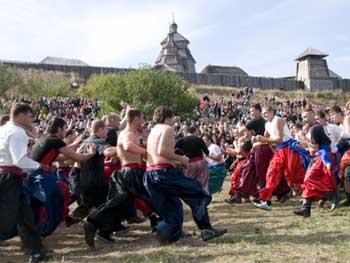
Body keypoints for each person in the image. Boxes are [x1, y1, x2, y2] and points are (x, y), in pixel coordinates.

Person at [143, 106, 226, 244]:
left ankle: (164, 233)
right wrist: (181, 159)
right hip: (164, 173)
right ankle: (206, 230)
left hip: (151, 173)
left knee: (172, 207)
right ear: (168, 118)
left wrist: (175, 162)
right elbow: (162, 151)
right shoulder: (167, 129)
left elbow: (156, 155)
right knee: (198, 193)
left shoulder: (153, 131)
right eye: (172, 119)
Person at [83, 109, 155, 247]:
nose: (143, 121)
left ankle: (102, 229)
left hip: (123, 172)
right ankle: (162, 223)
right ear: (135, 119)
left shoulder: (127, 133)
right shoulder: (127, 134)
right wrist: (147, 151)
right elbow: (127, 146)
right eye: (142, 118)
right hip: (130, 172)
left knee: (120, 203)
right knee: (150, 197)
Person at [0, 103, 48, 263]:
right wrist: (40, 165)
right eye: (30, 116)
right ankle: (35, 250)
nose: (31, 119)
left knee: (24, 215)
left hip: (8, 176)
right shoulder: (17, 132)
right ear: (21, 115)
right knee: (6, 217)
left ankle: (36, 250)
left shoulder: (5, 129)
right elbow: (19, 160)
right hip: (9, 177)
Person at [253, 105, 307, 211]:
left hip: (288, 149)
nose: (265, 115)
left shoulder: (278, 120)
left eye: (266, 112)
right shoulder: (267, 124)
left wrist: (264, 139)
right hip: (279, 151)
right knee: (271, 173)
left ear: (272, 112)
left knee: (294, 175)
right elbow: (266, 139)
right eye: (263, 113)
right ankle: (267, 201)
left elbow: (279, 139)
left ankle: (310, 195)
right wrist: (256, 139)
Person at [66, 120, 118, 226]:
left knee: (88, 204)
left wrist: (107, 163)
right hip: (97, 180)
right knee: (105, 205)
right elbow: (107, 151)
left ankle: (72, 217)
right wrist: (122, 148)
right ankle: (103, 229)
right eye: (106, 129)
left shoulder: (85, 141)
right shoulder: (98, 141)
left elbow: (91, 162)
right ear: (100, 129)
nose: (107, 132)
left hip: (85, 178)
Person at [294, 125, 338, 217]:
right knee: (308, 184)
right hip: (321, 156)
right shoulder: (318, 128)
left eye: (305, 116)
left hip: (323, 157)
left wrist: (304, 139)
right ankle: (306, 209)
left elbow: (315, 147)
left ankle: (331, 195)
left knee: (309, 179)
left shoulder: (315, 129)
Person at [175, 126, 210, 193]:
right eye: (197, 131)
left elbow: (174, 149)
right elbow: (207, 152)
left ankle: (191, 198)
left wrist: (181, 155)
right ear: (194, 131)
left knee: (188, 181)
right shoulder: (199, 139)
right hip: (200, 163)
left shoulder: (181, 140)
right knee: (203, 182)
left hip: (188, 163)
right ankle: (203, 197)